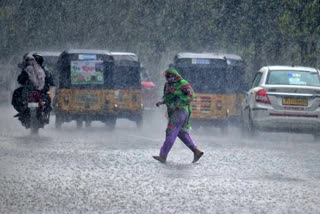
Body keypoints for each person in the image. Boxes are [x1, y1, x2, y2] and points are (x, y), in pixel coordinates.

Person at [153, 67, 204, 163]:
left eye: (169, 76)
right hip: (173, 112)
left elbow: (191, 95)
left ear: (174, 75)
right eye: (166, 76)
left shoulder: (182, 83)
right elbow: (168, 98)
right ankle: (196, 151)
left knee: (171, 132)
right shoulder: (167, 85)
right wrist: (161, 102)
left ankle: (163, 156)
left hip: (180, 111)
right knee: (181, 133)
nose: (168, 78)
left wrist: (180, 102)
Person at [11, 53, 55, 122]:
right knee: (47, 101)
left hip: (33, 92)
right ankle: (24, 111)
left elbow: (20, 80)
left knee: (47, 101)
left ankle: (23, 111)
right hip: (36, 92)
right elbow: (51, 80)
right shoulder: (42, 70)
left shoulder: (30, 69)